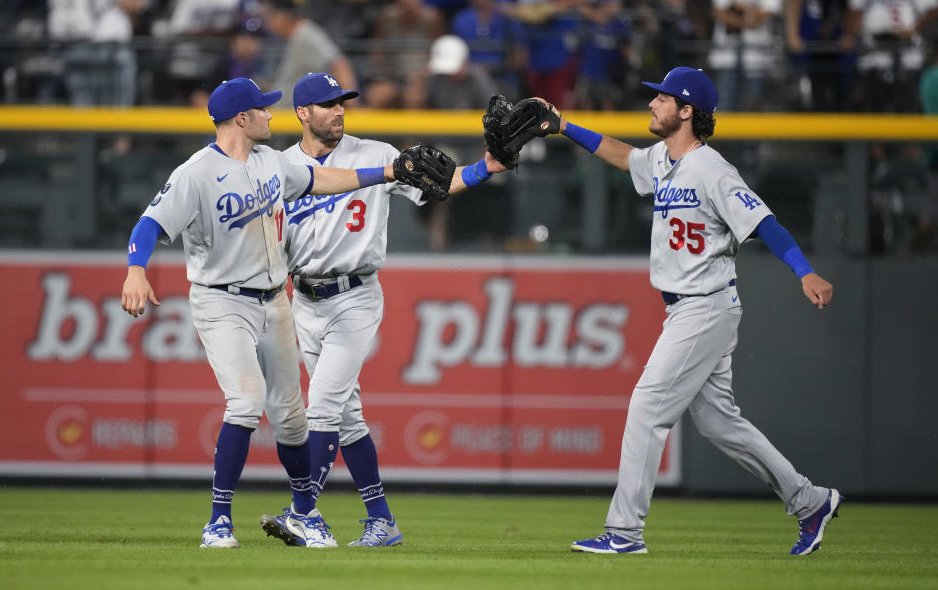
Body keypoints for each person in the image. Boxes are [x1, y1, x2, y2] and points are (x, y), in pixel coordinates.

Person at [519, 67, 841, 555]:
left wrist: (804, 271)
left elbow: (764, 222)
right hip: (688, 309)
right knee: (719, 423)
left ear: (686, 111)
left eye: (662, 99)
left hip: (704, 308)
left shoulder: (712, 169)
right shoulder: (664, 161)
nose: (652, 104)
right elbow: (623, 155)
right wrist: (564, 127)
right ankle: (809, 500)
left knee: (647, 409)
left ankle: (624, 532)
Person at [119, 77, 407, 549]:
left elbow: (323, 181)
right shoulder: (196, 172)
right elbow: (149, 223)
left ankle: (307, 516)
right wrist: (135, 270)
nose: (273, 115)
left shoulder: (269, 161)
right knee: (246, 402)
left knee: (292, 418)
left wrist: (387, 173)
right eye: (263, 109)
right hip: (221, 298)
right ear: (241, 118)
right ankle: (219, 522)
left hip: (275, 299)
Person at [257, 72, 506, 548]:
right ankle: (382, 521)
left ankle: (305, 513)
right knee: (347, 416)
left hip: (355, 297)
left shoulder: (375, 154)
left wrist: (486, 167)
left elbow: (439, 184)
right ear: (303, 113)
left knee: (324, 406)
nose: (339, 110)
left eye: (342, 102)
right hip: (303, 300)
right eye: (328, 104)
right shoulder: (282, 167)